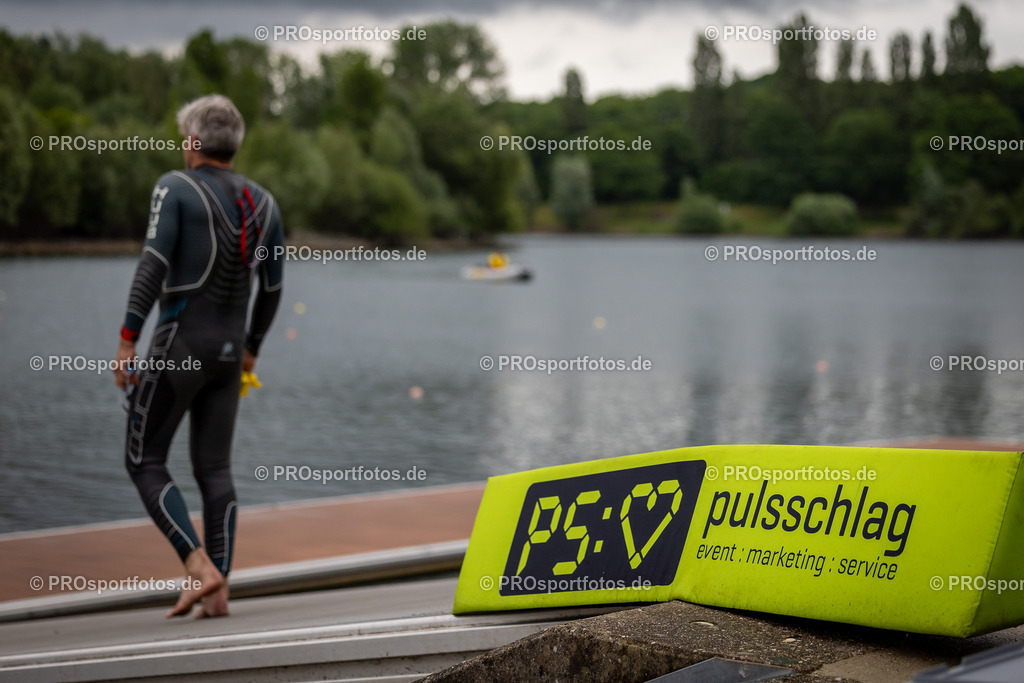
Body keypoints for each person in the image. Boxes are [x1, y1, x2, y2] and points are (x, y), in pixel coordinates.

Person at [113, 94, 284, 618]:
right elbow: (274, 287)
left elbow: (153, 265)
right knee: (215, 469)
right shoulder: (266, 203)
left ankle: (198, 566)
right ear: (236, 144)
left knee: (144, 460)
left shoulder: (175, 187)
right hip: (231, 354)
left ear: (192, 142)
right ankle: (221, 590)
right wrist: (252, 347)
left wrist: (126, 339)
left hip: (179, 345)